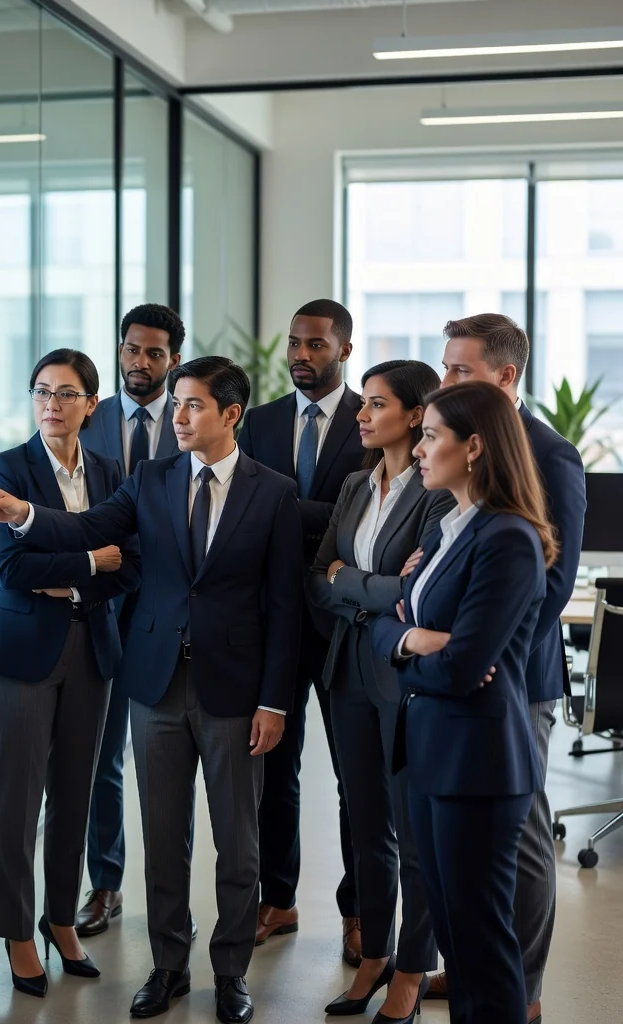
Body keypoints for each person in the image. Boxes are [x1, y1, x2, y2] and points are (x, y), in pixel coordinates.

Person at [0, 356, 303, 1024]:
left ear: (231, 415)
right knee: (164, 838)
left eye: (192, 406)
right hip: (155, 684)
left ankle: (231, 971)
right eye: (175, 404)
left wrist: (275, 701)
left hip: (236, 691)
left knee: (237, 843)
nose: (175, 416)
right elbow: (89, 530)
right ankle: (169, 965)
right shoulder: (150, 478)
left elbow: (284, 605)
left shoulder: (273, 492)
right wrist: (26, 513)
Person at [372, 381, 558, 1024]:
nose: (416, 449)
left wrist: (409, 645)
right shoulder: (452, 528)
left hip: (477, 764)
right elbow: (388, 623)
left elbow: (463, 667)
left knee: (481, 947)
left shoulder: (507, 537)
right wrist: (412, 639)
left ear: (474, 446)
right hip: (432, 753)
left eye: (430, 436)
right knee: (454, 936)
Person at [424, 315, 586, 1024]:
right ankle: (479, 972)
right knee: (474, 859)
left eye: (458, 371)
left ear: (505, 376)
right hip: (471, 662)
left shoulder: (551, 454)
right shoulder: (460, 470)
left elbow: (553, 583)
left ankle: (520, 988)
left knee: (516, 841)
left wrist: (484, 648)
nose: (445, 380)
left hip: (514, 675)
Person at [0, 348, 141, 998]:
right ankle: (18, 933)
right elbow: (12, 571)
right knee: (17, 802)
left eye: (67, 393)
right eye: (42, 391)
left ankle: (61, 919)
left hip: (92, 651)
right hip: (20, 658)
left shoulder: (109, 471)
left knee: (76, 794)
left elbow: (131, 565)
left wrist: (74, 569)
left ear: (91, 405)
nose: (51, 404)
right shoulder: (4, 468)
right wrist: (91, 562)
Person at [307, 360, 454, 1024]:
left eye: (375, 404)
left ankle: (411, 970)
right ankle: (372, 955)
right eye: (362, 404)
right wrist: (370, 589)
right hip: (347, 673)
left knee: (414, 834)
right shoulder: (355, 485)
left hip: (403, 681)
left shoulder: (437, 494)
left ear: (417, 414)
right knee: (364, 824)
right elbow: (318, 575)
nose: (361, 416)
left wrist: (353, 582)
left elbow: (415, 595)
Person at [237, 298, 364, 962]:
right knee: (274, 770)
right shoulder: (257, 423)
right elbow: (242, 508)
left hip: (344, 624)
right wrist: (313, 513)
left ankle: (360, 912)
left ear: (343, 349)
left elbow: (363, 517)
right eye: (294, 344)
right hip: (274, 623)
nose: (300, 356)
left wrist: (284, 505)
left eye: (315, 345)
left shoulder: (371, 420)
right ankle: (277, 899)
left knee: (354, 776)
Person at [76, 303, 183, 938]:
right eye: (130, 350)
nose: (138, 363)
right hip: (98, 606)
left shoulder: (193, 416)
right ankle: (106, 884)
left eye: (152, 353)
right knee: (101, 756)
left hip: (168, 613)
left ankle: (174, 904)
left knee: (173, 761)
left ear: (173, 358)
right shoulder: (90, 416)